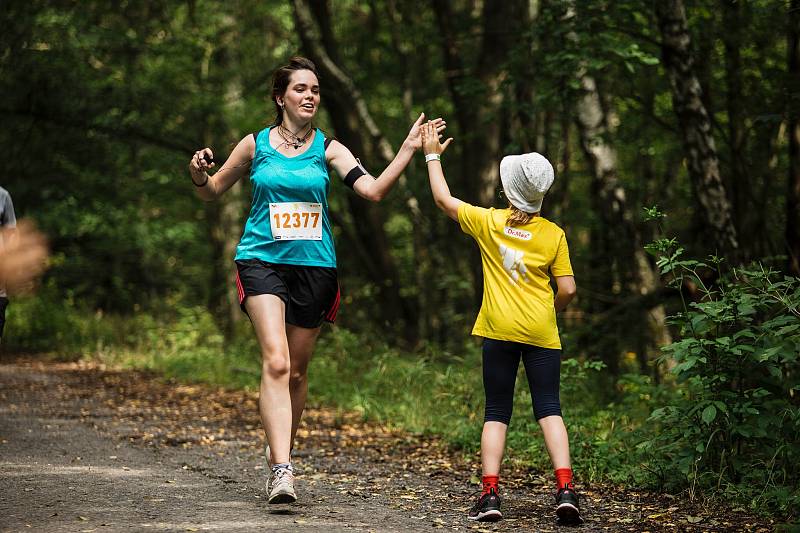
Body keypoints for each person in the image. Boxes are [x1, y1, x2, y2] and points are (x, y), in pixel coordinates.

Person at [188, 56, 445, 505]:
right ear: (280, 96)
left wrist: (407, 148)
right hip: (261, 260)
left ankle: (279, 444)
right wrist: (197, 173)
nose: (310, 96)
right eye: (301, 89)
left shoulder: (330, 149)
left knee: (299, 372)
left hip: (315, 267)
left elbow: (374, 191)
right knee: (277, 361)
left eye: (315, 90)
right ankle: (282, 470)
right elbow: (212, 191)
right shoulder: (255, 145)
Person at [420, 122, 581, 524]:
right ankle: (565, 490)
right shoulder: (554, 235)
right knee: (550, 408)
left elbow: (442, 199)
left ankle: (490, 495)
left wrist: (432, 154)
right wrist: (552, 310)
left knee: (496, 411)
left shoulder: (489, 223)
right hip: (542, 332)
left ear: (509, 189)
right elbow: (569, 289)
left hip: (497, 330)